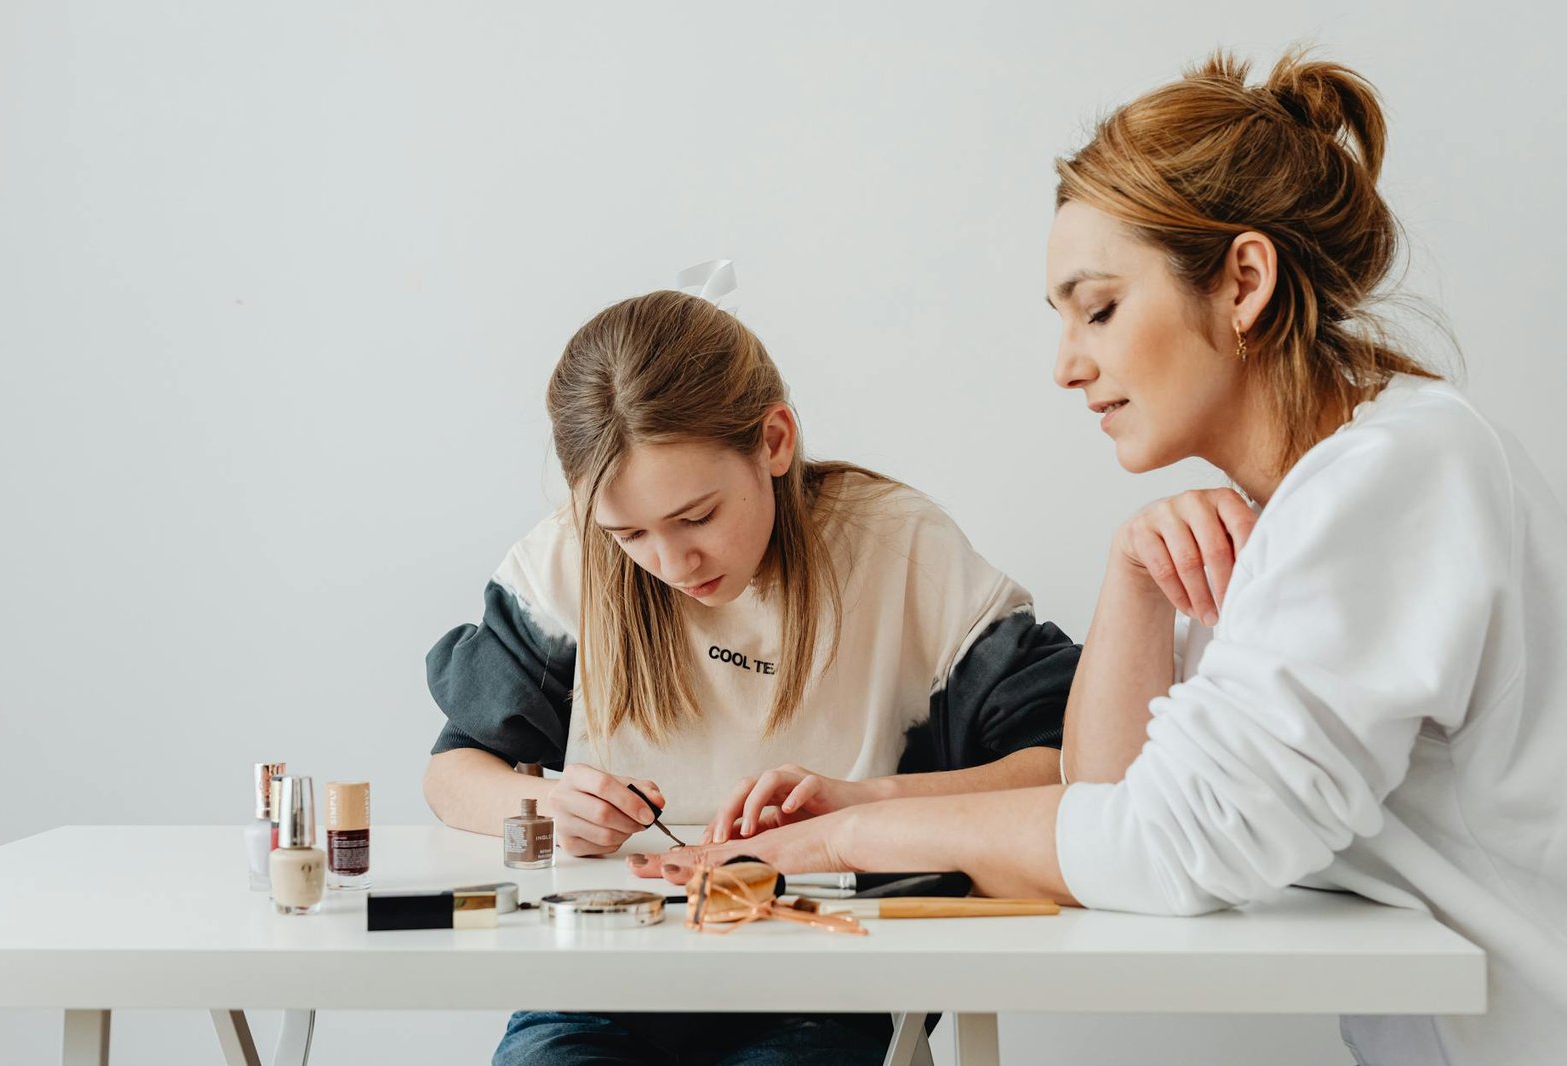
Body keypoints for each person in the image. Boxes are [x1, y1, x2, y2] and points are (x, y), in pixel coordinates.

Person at [640, 53, 1567, 1066]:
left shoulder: (1395, 477)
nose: (1067, 363)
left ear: (1242, 283)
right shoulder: (1308, 501)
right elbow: (1113, 802)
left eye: (1099, 308)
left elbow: (1167, 848)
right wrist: (1130, 581)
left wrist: (845, 841)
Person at [422, 268, 1081, 1065]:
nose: (669, 562)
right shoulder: (566, 560)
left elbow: (1055, 772)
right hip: (599, 982)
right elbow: (453, 773)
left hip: (827, 986)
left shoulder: (900, 549)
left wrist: (860, 808)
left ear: (774, 441)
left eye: (696, 516)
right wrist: (542, 803)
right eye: (628, 534)